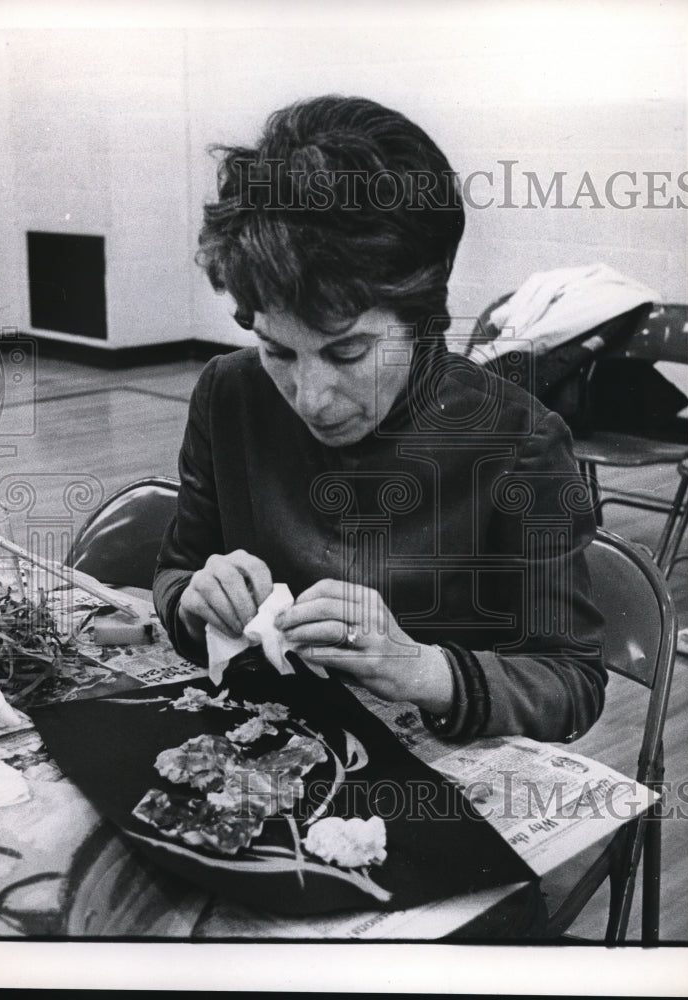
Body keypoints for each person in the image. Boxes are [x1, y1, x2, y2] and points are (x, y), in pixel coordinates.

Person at [153, 95, 607, 744]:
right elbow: (177, 569)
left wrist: (419, 668)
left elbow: (570, 682)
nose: (311, 398)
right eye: (278, 351)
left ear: (423, 317)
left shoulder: (517, 442)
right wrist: (193, 602)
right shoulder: (228, 393)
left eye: (348, 352)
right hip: (266, 744)